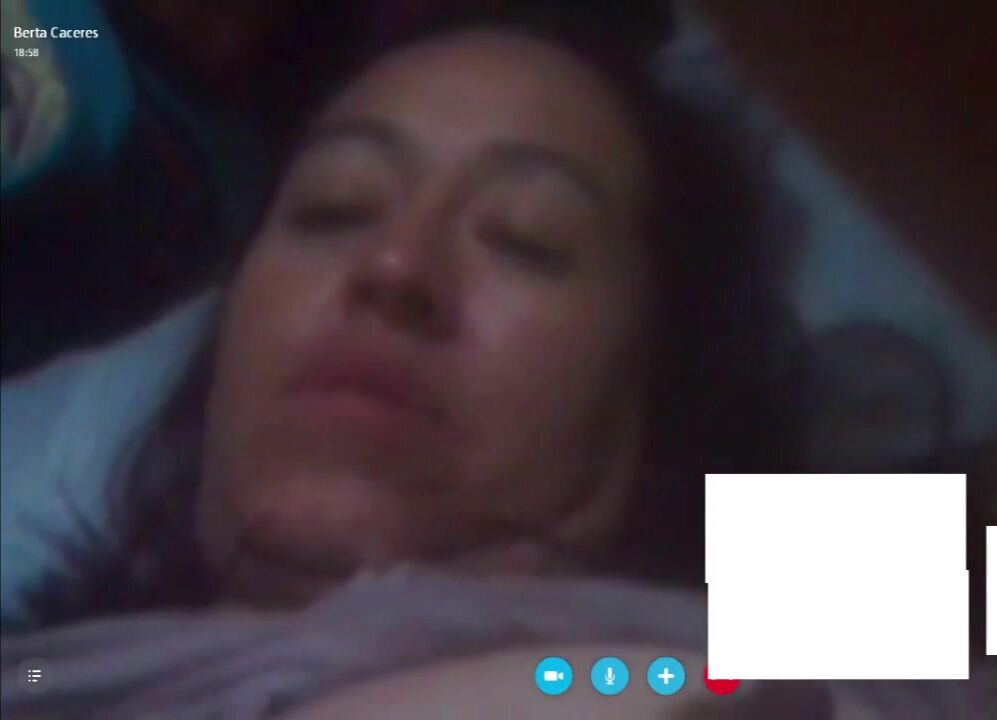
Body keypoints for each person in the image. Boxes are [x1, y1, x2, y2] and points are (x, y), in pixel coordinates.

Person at [2, 6, 831, 717]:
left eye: (527, 238)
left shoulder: (737, 655)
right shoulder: (56, 660)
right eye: (334, 207)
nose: (394, 266)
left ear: (661, 391)